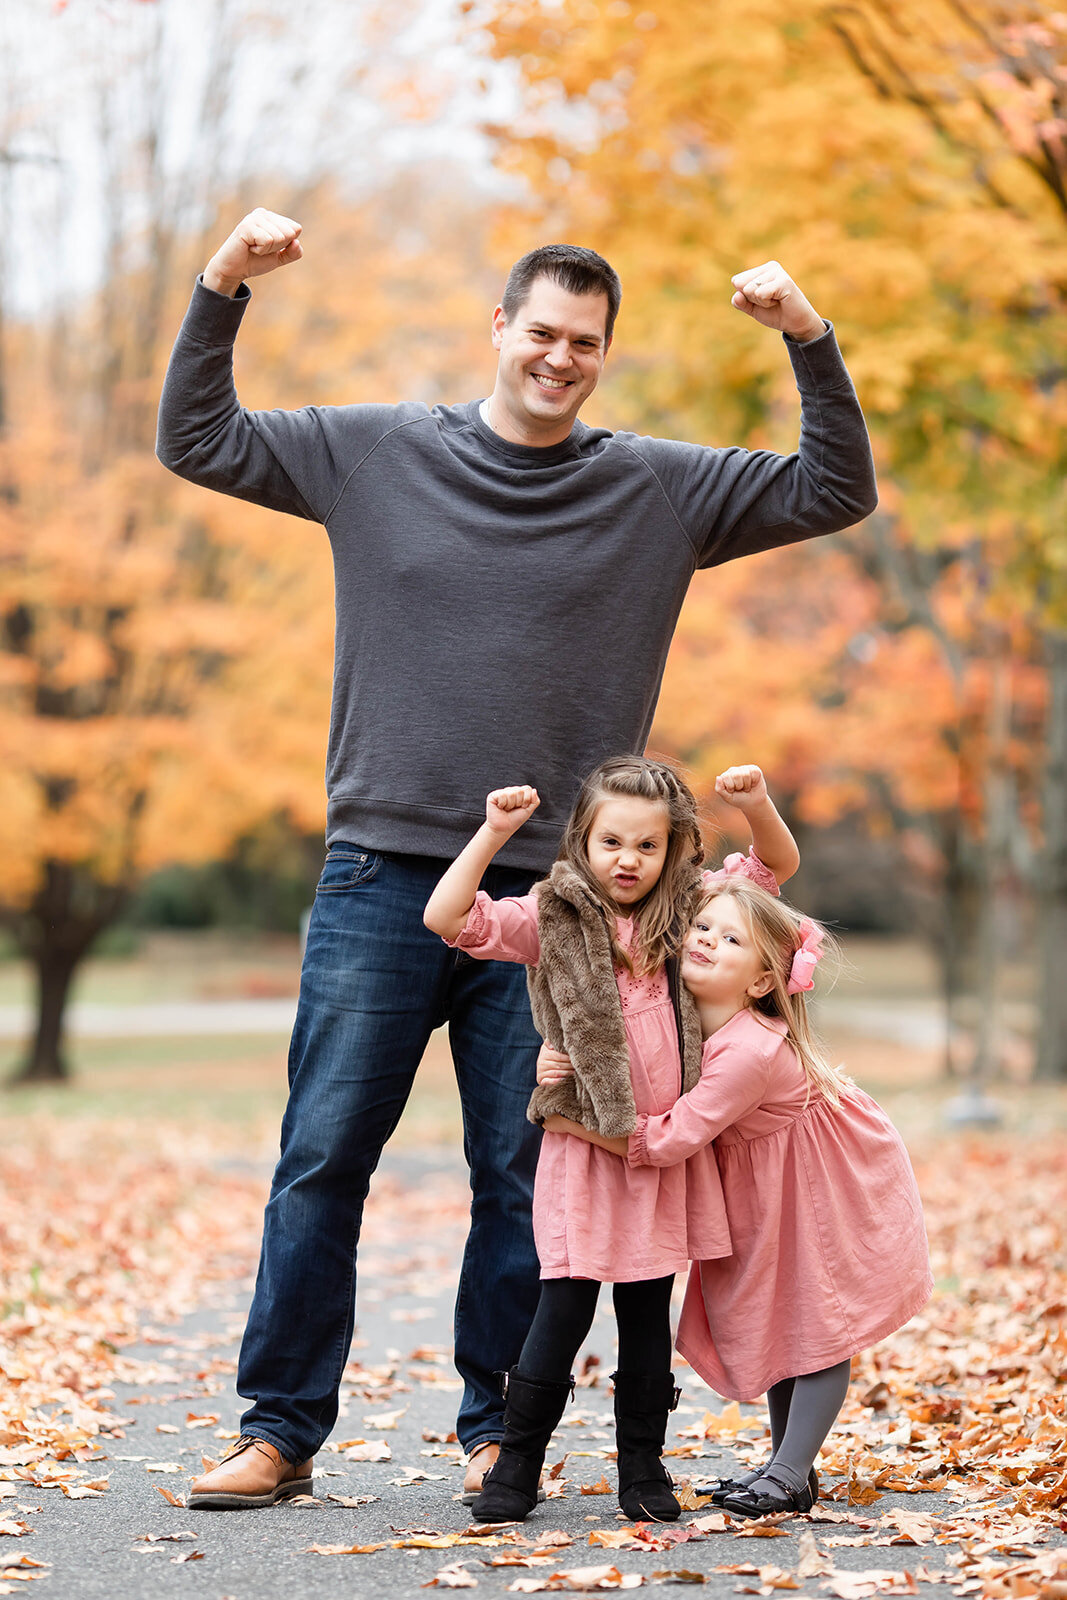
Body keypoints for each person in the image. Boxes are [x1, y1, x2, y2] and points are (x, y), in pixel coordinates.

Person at [155, 206, 878, 1511]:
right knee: (322, 1156)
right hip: (379, 872)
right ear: (498, 326)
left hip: (566, 905)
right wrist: (222, 283)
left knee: (523, 1170)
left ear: (604, 354)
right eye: (540, 331)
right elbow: (197, 438)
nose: (558, 358)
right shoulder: (373, 452)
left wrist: (805, 335)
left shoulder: (656, 487)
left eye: (584, 343)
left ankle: (498, 1427)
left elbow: (833, 489)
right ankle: (279, 1429)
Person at [423, 757, 800, 1522]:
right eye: (611, 842)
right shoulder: (551, 916)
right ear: (582, 841)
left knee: (644, 1312)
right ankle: (515, 1464)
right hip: (588, 1152)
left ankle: (642, 1468)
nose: (628, 860)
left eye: (647, 846)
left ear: (672, 850)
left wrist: (757, 804)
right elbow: (448, 918)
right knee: (561, 1306)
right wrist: (492, 834)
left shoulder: (690, 914)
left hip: (664, 1155)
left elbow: (775, 866)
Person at [541, 877, 933, 1518]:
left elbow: (669, 1139)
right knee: (782, 1316)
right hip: (765, 1182)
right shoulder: (682, 1017)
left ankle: (789, 1471)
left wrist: (571, 1123)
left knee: (818, 1322)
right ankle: (788, 1468)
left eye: (730, 939)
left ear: (761, 982)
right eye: (702, 927)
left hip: (818, 1182)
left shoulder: (749, 1050)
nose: (705, 940)